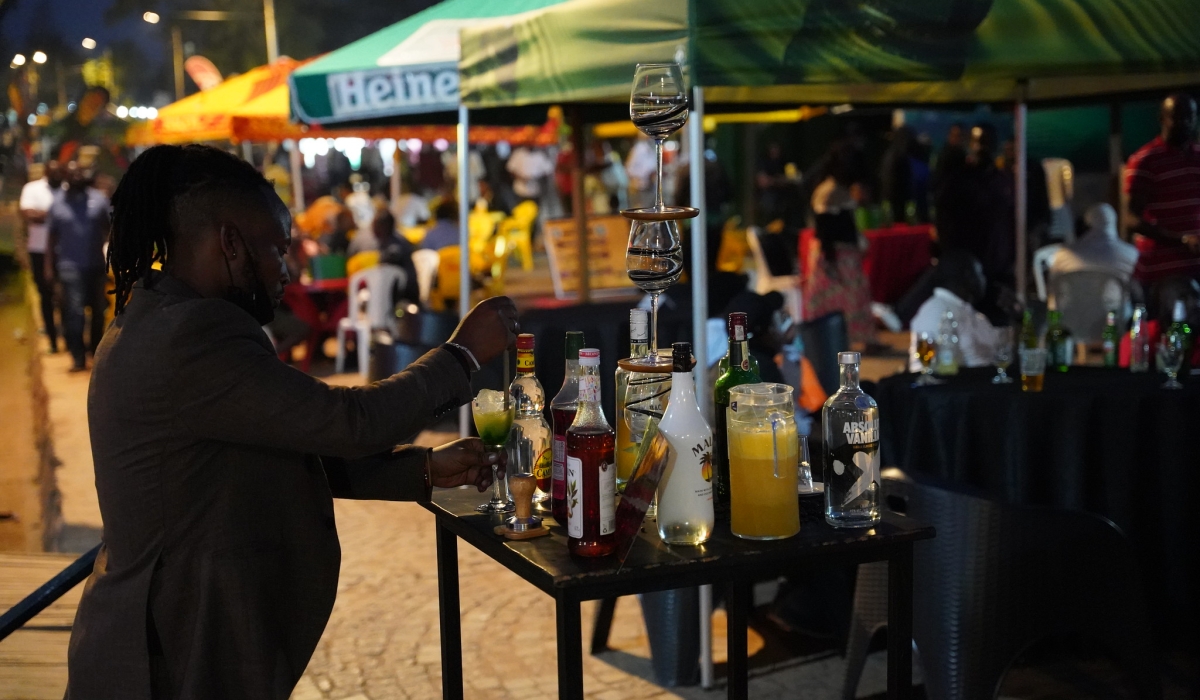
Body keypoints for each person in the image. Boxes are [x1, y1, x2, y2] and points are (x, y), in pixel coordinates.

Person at [66, 144, 519, 699]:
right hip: (168, 654)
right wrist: (462, 356)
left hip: (161, 640)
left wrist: (421, 469)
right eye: (277, 250)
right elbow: (345, 421)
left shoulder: (161, 317)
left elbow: (279, 446)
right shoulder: (192, 335)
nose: (288, 268)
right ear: (230, 243)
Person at [1125, 92, 1200, 285]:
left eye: (1189, 117)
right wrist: (1181, 240)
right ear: (1162, 119)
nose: (1185, 122)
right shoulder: (1145, 160)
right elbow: (1131, 218)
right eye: (1177, 117)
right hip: (1161, 270)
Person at [802, 149, 875, 347]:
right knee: (845, 298)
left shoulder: (835, 189)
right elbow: (827, 228)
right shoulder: (830, 192)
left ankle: (851, 338)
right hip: (835, 254)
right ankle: (843, 337)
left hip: (837, 253)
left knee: (843, 298)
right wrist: (830, 259)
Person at [46, 161, 109, 371]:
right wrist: (49, 267)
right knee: (75, 312)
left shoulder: (99, 200)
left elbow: (110, 229)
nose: (75, 178)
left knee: (98, 311)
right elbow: (51, 239)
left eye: (78, 174)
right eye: (71, 175)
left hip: (96, 266)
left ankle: (96, 352)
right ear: (66, 178)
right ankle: (78, 357)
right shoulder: (57, 204)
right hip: (69, 267)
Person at [908, 250, 1005, 371]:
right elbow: (927, 369)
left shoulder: (965, 311)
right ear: (968, 276)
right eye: (980, 273)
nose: (984, 280)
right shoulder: (939, 311)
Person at [20, 160, 62, 352]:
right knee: (45, 294)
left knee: (65, 295)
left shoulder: (67, 188)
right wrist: (57, 215)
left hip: (63, 251)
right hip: (39, 249)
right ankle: (52, 338)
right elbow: (28, 214)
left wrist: (44, 215)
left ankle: (67, 336)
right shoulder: (33, 189)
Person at [1049, 203, 1139, 282]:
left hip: (1075, 301)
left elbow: (1054, 287)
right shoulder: (1132, 254)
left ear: (1086, 224)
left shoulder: (1063, 255)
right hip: (1113, 301)